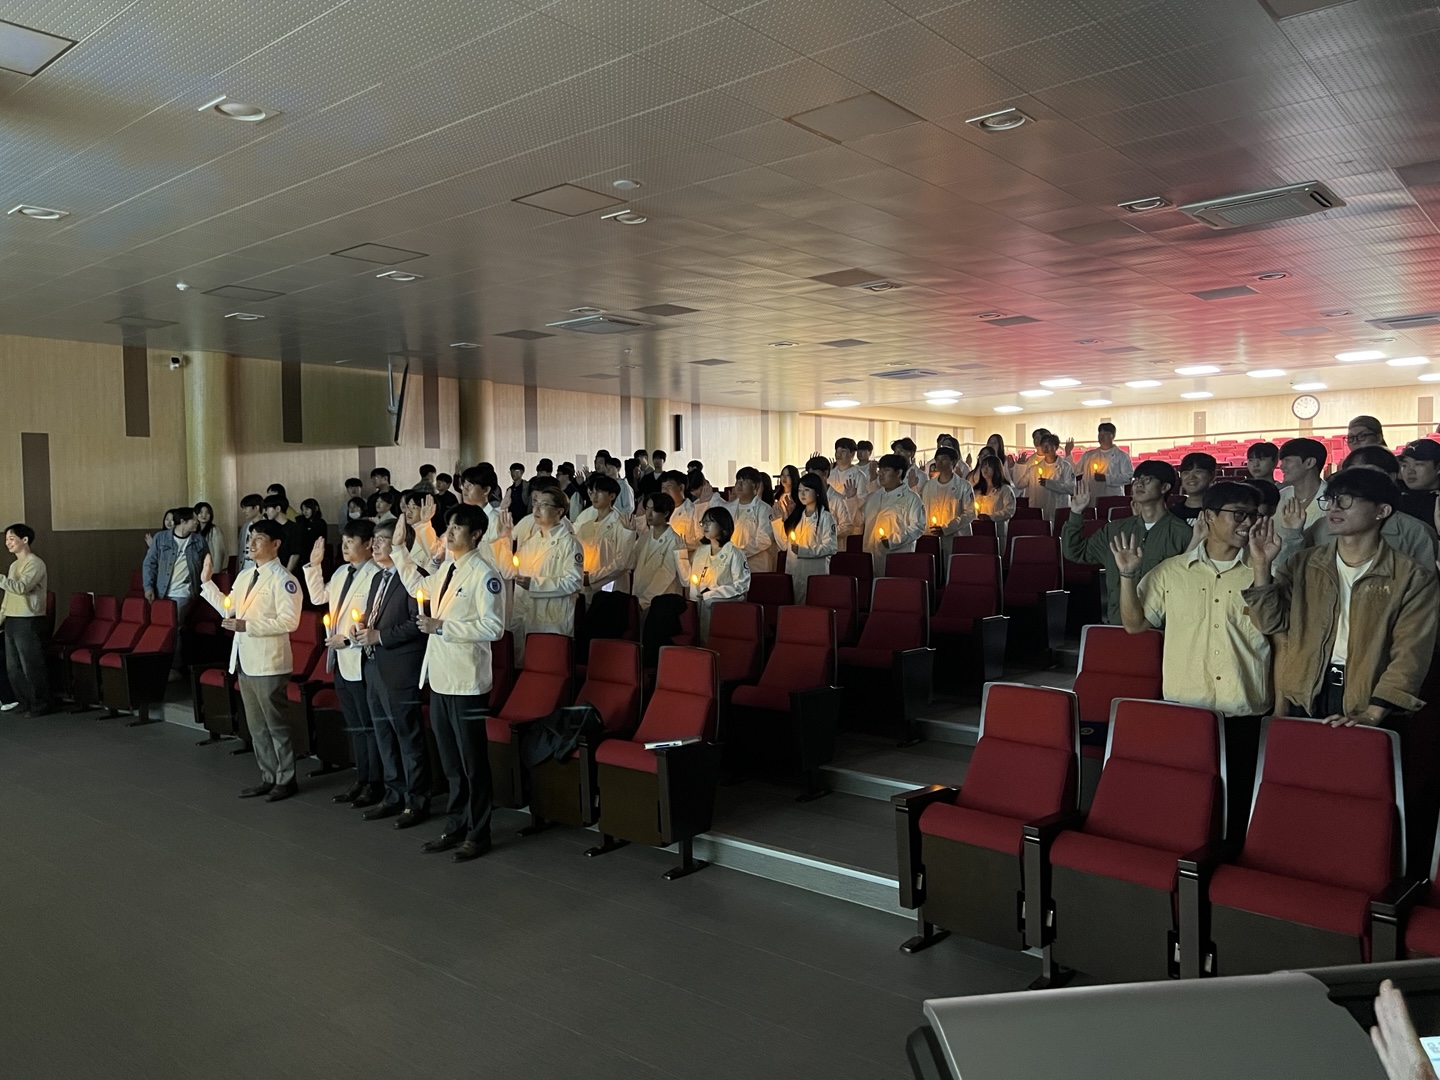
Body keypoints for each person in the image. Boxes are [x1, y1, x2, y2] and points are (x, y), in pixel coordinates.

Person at [1113, 481, 1273, 841]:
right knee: (1186, 804)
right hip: (1186, 709)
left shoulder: (1264, 570)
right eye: (1239, 515)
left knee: (1238, 808)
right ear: (1209, 516)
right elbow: (1135, 625)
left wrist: (1264, 567)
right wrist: (1127, 576)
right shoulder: (1173, 572)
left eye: (1253, 515)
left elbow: (1276, 634)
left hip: (1243, 710)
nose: (1248, 523)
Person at [1245, 468, 1437, 727]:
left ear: (1382, 511)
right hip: (1306, 690)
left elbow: (1411, 652)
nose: (1334, 507)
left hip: (1368, 696)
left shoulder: (1411, 576)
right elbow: (1270, 623)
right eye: (1331, 499)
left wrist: (1374, 711)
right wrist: (1261, 566)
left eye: (1346, 500)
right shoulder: (1303, 563)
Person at [391, 506, 506, 862]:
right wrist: (398, 549)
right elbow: (417, 586)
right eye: (449, 526)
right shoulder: (447, 569)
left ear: (476, 535)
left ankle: (479, 832)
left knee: (472, 762)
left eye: (458, 527)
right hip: (441, 676)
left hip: (467, 680)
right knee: (452, 762)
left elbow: (494, 627)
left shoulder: (485, 574)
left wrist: (443, 627)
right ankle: (456, 824)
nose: (450, 532)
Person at [200, 520, 304, 801]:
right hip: (245, 659)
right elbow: (229, 608)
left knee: (276, 724)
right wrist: (207, 582)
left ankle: (286, 779)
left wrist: (248, 626)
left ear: (276, 544)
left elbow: (290, 621)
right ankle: (268, 776)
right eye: (250, 538)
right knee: (257, 726)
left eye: (259, 538)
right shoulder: (246, 575)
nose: (251, 543)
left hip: (269, 661)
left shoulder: (284, 579)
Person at [353, 517, 429, 829]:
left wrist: (380, 636)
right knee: (383, 734)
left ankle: (417, 800)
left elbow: (417, 623)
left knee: (407, 736)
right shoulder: (377, 578)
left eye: (382, 540)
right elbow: (375, 615)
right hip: (374, 664)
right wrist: (363, 627)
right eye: (374, 539)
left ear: (401, 543)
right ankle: (393, 793)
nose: (375, 545)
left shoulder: (415, 577)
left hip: (400, 667)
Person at [302, 522, 383, 808]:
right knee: (355, 725)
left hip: (361, 658)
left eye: (351, 541)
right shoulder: (340, 572)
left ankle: (375, 782)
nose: (345, 546)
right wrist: (314, 566)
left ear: (369, 544)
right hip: (339, 659)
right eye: (344, 541)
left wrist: (348, 641)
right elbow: (318, 597)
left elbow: (373, 620)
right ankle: (362, 777)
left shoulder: (376, 574)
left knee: (368, 726)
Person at [1062, 462, 1191, 625]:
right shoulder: (1115, 530)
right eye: (1136, 479)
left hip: (1163, 628)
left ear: (1165, 487)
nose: (1139, 484)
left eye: (1148, 479)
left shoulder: (1182, 533)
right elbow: (1075, 552)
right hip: (1118, 623)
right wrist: (1076, 512)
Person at [1276, 446, 1438, 573]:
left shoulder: (1414, 532)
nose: (1355, 482)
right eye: (1351, 475)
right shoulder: (1321, 528)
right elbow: (1290, 576)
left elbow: (1424, 592)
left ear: (1391, 477)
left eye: (1367, 475)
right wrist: (1292, 535)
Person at [503, 487, 583, 657]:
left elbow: (574, 582)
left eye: (544, 504)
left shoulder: (569, 544)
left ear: (559, 511)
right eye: (536, 504)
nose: (536, 509)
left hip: (552, 617)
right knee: (521, 661)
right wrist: (503, 539)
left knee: (546, 662)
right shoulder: (532, 540)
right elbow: (510, 568)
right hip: (525, 612)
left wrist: (535, 584)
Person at [142, 505, 208, 671]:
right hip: (162, 591)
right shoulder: (161, 538)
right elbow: (150, 563)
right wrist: (148, 587)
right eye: (194, 520)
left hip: (185, 591)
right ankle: (162, 665)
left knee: (174, 627)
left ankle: (174, 667)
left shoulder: (199, 540)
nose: (197, 522)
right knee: (163, 627)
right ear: (183, 522)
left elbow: (207, 564)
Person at [1, 524, 51, 716]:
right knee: (13, 666)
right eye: (6, 539)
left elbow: (22, 588)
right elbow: (8, 597)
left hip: (28, 619)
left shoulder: (35, 563)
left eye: (11, 539)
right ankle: (24, 701)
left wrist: (0, 580)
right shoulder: (14, 565)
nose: (7, 543)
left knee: (30, 664)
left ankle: (41, 703)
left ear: (25, 540)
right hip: (12, 619)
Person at [688, 506, 751, 638]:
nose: (705, 525)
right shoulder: (700, 552)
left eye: (710, 522)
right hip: (698, 609)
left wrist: (711, 594)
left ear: (723, 526)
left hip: (722, 610)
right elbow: (690, 579)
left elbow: (741, 586)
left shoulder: (734, 553)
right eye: (704, 522)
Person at [774, 473, 837, 604]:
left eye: (807, 490)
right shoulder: (796, 516)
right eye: (799, 490)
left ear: (817, 492)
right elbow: (784, 545)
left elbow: (831, 547)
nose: (802, 494)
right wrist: (777, 522)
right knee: (796, 607)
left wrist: (803, 551)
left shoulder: (825, 517)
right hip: (795, 571)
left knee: (814, 607)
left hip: (814, 572)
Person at [573, 473, 635, 598]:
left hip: (610, 588)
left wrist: (592, 578)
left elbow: (623, 562)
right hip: (585, 586)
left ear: (612, 496)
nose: (594, 496)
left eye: (599, 492)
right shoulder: (586, 526)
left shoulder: (622, 524)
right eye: (592, 492)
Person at [861, 453, 924, 574]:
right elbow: (859, 520)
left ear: (899, 472)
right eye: (880, 470)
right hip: (871, 555)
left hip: (898, 556)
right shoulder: (873, 496)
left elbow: (918, 527)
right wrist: (851, 499)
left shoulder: (911, 498)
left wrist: (893, 540)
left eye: (886, 470)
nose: (881, 474)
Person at [631, 493, 684, 620]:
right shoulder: (644, 537)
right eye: (647, 509)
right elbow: (631, 562)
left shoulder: (674, 541)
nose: (648, 514)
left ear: (665, 513)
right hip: (639, 597)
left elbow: (666, 574)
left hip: (661, 602)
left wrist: (644, 601)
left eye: (654, 510)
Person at [919, 446, 976, 562]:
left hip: (956, 536)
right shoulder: (929, 486)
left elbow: (970, 513)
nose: (939, 463)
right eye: (937, 459)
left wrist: (947, 528)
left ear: (953, 462)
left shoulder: (964, 486)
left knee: (954, 566)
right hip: (932, 536)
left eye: (944, 459)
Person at [722, 466, 777, 574]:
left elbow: (764, 539)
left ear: (755, 486)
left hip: (757, 566)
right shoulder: (729, 508)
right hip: (734, 565)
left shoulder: (764, 509)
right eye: (738, 481)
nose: (739, 485)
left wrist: (740, 552)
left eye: (744, 482)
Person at [1015, 432, 1075, 521]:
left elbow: (1071, 488)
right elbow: (1019, 484)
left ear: (1056, 447)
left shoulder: (1065, 467)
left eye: (1049, 445)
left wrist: (1049, 483)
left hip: (1059, 510)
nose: (1046, 448)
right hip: (1039, 511)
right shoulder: (1034, 469)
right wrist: (1020, 466)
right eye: (1043, 446)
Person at [1276, 437, 1328, 528]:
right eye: (1282, 461)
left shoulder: (1332, 499)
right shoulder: (1280, 497)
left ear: (1309, 463)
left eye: (1287, 461)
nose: (1281, 467)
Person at [1076, 423, 1134, 500]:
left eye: (1105, 434)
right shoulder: (1088, 455)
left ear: (1112, 436)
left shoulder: (1122, 456)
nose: (1101, 437)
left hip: (1113, 498)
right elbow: (1075, 471)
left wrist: (1106, 478)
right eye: (1100, 434)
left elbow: (1128, 477)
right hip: (1092, 497)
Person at [804, 455, 857, 542]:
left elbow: (847, 527)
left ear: (825, 474)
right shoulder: (808, 499)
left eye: (815, 475)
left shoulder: (838, 499)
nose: (812, 480)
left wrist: (827, 532)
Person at [971, 455, 1016, 544]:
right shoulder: (977, 490)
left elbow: (1009, 510)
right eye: (984, 466)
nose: (985, 469)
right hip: (978, 531)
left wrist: (991, 517)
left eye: (989, 466)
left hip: (998, 531)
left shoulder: (1005, 489)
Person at [1398, 439, 1440, 526]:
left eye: (1418, 464)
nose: (1410, 471)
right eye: (1404, 465)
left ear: (1438, 468)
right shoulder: (1393, 497)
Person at [261, 494, 305, 574]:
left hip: (287, 572)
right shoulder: (268, 527)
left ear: (278, 508)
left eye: (267, 508)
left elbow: (295, 554)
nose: (266, 512)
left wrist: (286, 573)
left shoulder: (294, 528)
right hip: (270, 571)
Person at [1171, 452, 1216, 527]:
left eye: (1198, 471)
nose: (1191, 477)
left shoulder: (1221, 511)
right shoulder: (1172, 514)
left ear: (1212, 475)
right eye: (1186, 473)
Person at [236, 493, 264, 575]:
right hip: (245, 568)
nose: (243, 511)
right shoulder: (245, 527)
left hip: (261, 568)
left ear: (256, 508)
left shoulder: (268, 526)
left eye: (246, 508)